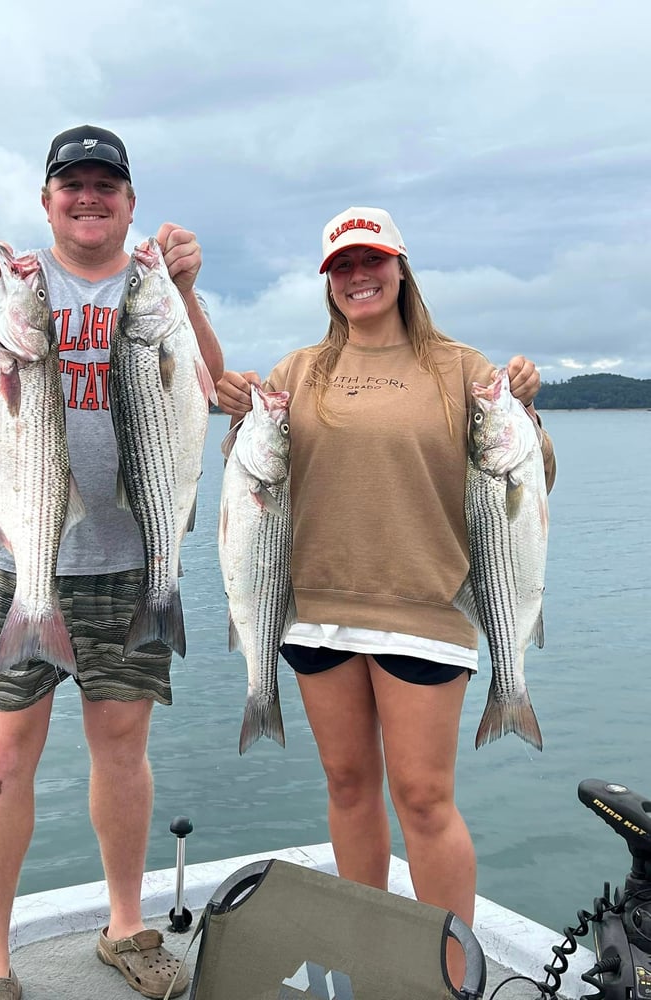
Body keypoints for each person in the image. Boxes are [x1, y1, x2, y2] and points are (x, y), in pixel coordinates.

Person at [216, 206, 556, 985]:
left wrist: (528, 408)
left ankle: (447, 973)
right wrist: (238, 415)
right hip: (313, 613)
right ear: (327, 281)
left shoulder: (461, 368)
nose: (358, 277)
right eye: (342, 266)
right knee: (347, 784)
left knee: (426, 798)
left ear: (401, 268)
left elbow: (526, 484)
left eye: (373, 261)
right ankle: (368, 956)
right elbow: (253, 487)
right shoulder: (297, 373)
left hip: (425, 612)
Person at [0, 124, 224, 1000]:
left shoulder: (155, 288)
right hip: (12, 555)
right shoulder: (15, 285)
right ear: (47, 199)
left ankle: (127, 927)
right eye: (73, 183)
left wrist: (188, 292)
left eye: (106, 184)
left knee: (123, 751)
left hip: (133, 562)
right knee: (4, 758)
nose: (88, 197)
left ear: (130, 202)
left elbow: (206, 381)